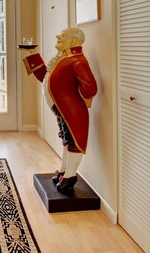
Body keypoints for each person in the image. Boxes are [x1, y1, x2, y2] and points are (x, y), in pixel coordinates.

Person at [23, 26, 97, 193]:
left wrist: (77, 97)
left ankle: (70, 176)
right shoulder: (63, 58)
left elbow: (90, 88)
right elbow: (45, 78)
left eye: (62, 35)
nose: (58, 36)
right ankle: (64, 171)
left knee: (73, 143)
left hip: (72, 111)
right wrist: (31, 55)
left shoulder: (77, 60)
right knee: (66, 140)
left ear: (73, 41)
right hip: (62, 109)